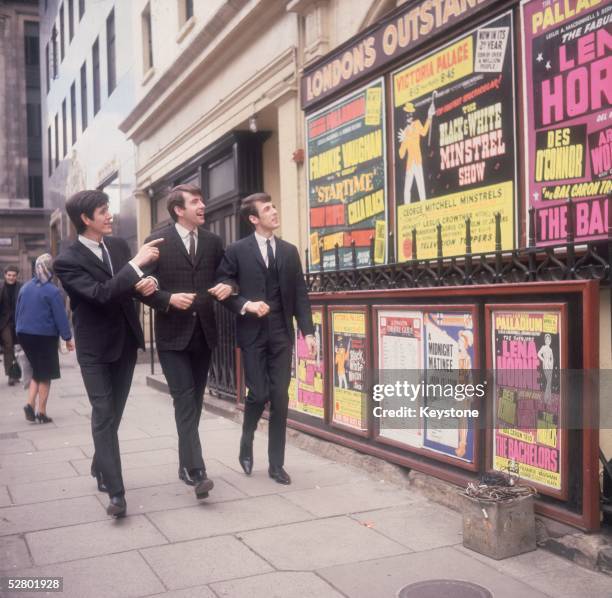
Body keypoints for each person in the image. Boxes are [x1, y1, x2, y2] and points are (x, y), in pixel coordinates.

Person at [54, 190, 162, 518]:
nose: (110, 215)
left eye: (108, 209)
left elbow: (131, 283)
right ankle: (117, 493)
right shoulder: (67, 260)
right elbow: (100, 295)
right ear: (86, 219)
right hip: (94, 349)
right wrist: (134, 267)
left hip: (125, 342)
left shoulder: (117, 246)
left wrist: (148, 282)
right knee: (103, 413)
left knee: (113, 414)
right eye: (103, 211)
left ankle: (100, 462)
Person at [216, 192, 316, 485]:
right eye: (267, 208)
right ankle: (246, 439)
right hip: (252, 333)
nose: (274, 211)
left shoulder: (289, 251)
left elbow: (300, 293)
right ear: (253, 219)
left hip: (281, 333)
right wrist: (246, 304)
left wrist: (307, 332)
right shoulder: (237, 250)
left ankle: (276, 464)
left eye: (274, 206)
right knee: (258, 393)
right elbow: (224, 286)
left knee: (281, 398)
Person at [142, 184, 232, 500]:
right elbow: (142, 285)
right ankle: (197, 471)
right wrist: (168, 299)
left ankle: (184, 465)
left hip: (204, 333)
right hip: (172, 337)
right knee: (183, 399)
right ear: (179, 210)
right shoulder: (157, 242)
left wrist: (227, 287)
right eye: (195, 202)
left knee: (193, 402)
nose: (203, 205)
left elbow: (227, 274)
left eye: (202, 200)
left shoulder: (212, 241)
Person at [16, 254, 75, 423]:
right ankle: (41, 412)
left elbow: (18, 311)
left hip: (24, 334)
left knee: (38, 370)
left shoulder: (25, 288)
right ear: (50, 271)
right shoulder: (52, 291)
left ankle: (30, 405)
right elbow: (60, 317)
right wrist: (67, 338)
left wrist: (18, 333)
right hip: (43, 335)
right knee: (46, 373)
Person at [398, 101, 435, 203]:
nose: (409, 116)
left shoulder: (417, 124)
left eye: (410, 114)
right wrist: (403, 141)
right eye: (407, 114)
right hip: (410, 164)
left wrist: (429, 116)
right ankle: (407, 210)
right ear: (405, 116)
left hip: (417, 161)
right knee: (406, 190)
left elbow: (424, 132)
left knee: (421, 186)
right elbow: (401, 155)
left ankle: (424, 208)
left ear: (412, 115)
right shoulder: (404, 132)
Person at [0, 265, 22, 385]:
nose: (11, 278)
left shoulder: (21, 287)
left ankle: (18, 372)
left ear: (16, 276)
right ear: (5, 275)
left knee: (18, 347)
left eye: (13, 275)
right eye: (9, 275)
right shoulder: (1, 287)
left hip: (19, 321)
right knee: (8, 346)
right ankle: (11, 374)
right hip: (4, 323)